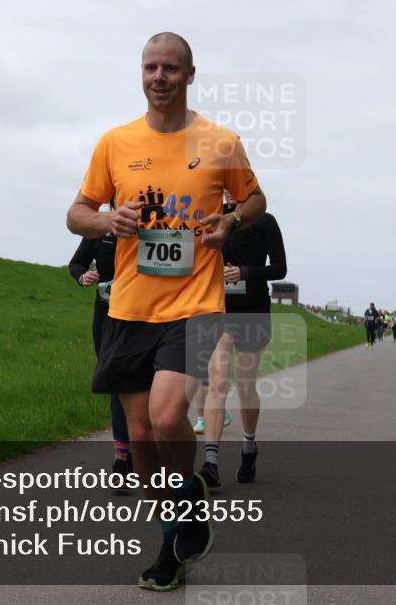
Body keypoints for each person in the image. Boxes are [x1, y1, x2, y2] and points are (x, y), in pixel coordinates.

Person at [66, 32, 266, 592]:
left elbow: (254, 199)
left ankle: (190, 502)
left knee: (166, 411)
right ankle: (174, 538)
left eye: (171, 69)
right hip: (129, 306)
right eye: (151, 67)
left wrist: (231, 221)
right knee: (141, 438)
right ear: (141, 73)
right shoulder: (115, 143)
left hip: (196, 303)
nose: (160, 77)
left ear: (190, 74)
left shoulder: (220, 142)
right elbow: (76, 213)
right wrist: (108, 222)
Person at [201, 193, 287, 486]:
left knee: (246, 384)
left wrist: (245, 272)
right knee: (218, 381)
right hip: (219, 310)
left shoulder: (265, 221)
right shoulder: (213, 215)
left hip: (253, 311)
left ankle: (249, 446)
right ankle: (210, 463)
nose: (229, 191)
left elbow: (279, 267)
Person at [68, 226, 133, 481]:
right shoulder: (99, 230)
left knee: (139, 387)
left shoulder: (151, 228)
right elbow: (76, 263)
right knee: (117, 385)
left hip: (143, 317)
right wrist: (83, 276)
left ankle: (138, 449)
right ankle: (122, 458)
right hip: (105, 317)